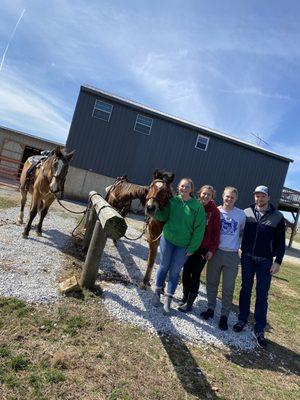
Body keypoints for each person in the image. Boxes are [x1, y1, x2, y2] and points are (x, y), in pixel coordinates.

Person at [233, 185, 285, 348]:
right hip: (247, 257)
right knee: (245, 289)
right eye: (257, 195)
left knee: (262, 294)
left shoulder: (277, 216)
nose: (259, 198)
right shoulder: (246, 213)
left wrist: (278, 261)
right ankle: (242, 320)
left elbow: (281, 242)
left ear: (268, 198)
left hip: (265, 261)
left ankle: (260, 329)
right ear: (254, 197)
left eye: (262, 196)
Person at [152, 178, 206, 314]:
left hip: (183, 245)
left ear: (192, 189)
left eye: (187, 186)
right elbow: (163, 216)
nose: (184, 189)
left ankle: (168, 301)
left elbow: (199, 230)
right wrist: (154, 210)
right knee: (163, 266)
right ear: (178, 187)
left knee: (175, 272)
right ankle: (157, 294)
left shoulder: (197, 206)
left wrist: (193, 247)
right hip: (168, 239)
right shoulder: (173, 201)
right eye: (182, 186)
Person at [200, 186, 246, 330]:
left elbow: (242, 233)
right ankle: (211, 308)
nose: (229, 199)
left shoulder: (241, 215)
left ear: (236, 199)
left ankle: (224, 315)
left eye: (232, 197)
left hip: (232, 255)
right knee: (211, 282)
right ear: (222, 196)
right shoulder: (217, 211)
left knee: (228, 287)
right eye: (227, 196)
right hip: (216, 252)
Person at [178, 185, 220, 312]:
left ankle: (190, 303)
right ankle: (185, 297)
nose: (205, 196)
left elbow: (216, 233)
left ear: (212, 197)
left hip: (203, 248)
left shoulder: (214, 212)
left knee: (195, 274)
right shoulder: (194, 205)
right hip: (190, 246)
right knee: (186, 272)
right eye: (204, 194)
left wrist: (211, 250)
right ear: (199, 194)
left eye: (209, 195)